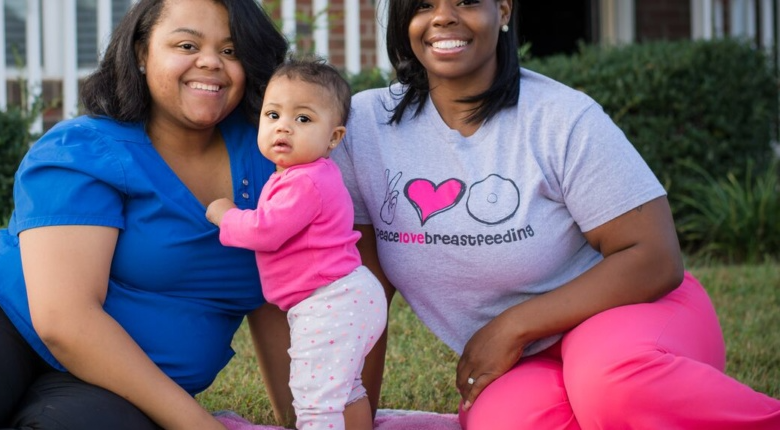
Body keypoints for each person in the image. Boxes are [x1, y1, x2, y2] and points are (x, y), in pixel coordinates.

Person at [0, 0, 292, 429]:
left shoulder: (272, 161)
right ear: (142, 53)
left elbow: (277, 298)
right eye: (187, 44)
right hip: (1, 319)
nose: (211, 61)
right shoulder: (85, 148)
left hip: (129, 379)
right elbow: (65, 320)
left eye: (231, 50)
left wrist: (305, 419)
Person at [331, 0, 780, 429]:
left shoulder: (560, 119)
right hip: (527, 362)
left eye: (466, 2)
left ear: (502, 9)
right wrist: (357, 421)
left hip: (636, 317)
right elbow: (364, 295)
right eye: (423, 6)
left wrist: (512, 326)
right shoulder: (367, 127)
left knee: (609, 387)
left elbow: (656, 256)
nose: (443, 18)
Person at [206, 56, 386, 430]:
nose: (283, 128)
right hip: (344, 297)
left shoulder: (305, 181)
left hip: (331, 303)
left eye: (302, 119)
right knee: (344, 389)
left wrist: (226, 215)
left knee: (314, 399)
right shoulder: (302, 175)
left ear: (334, 137)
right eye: (273, 115)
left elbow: (264, 231)